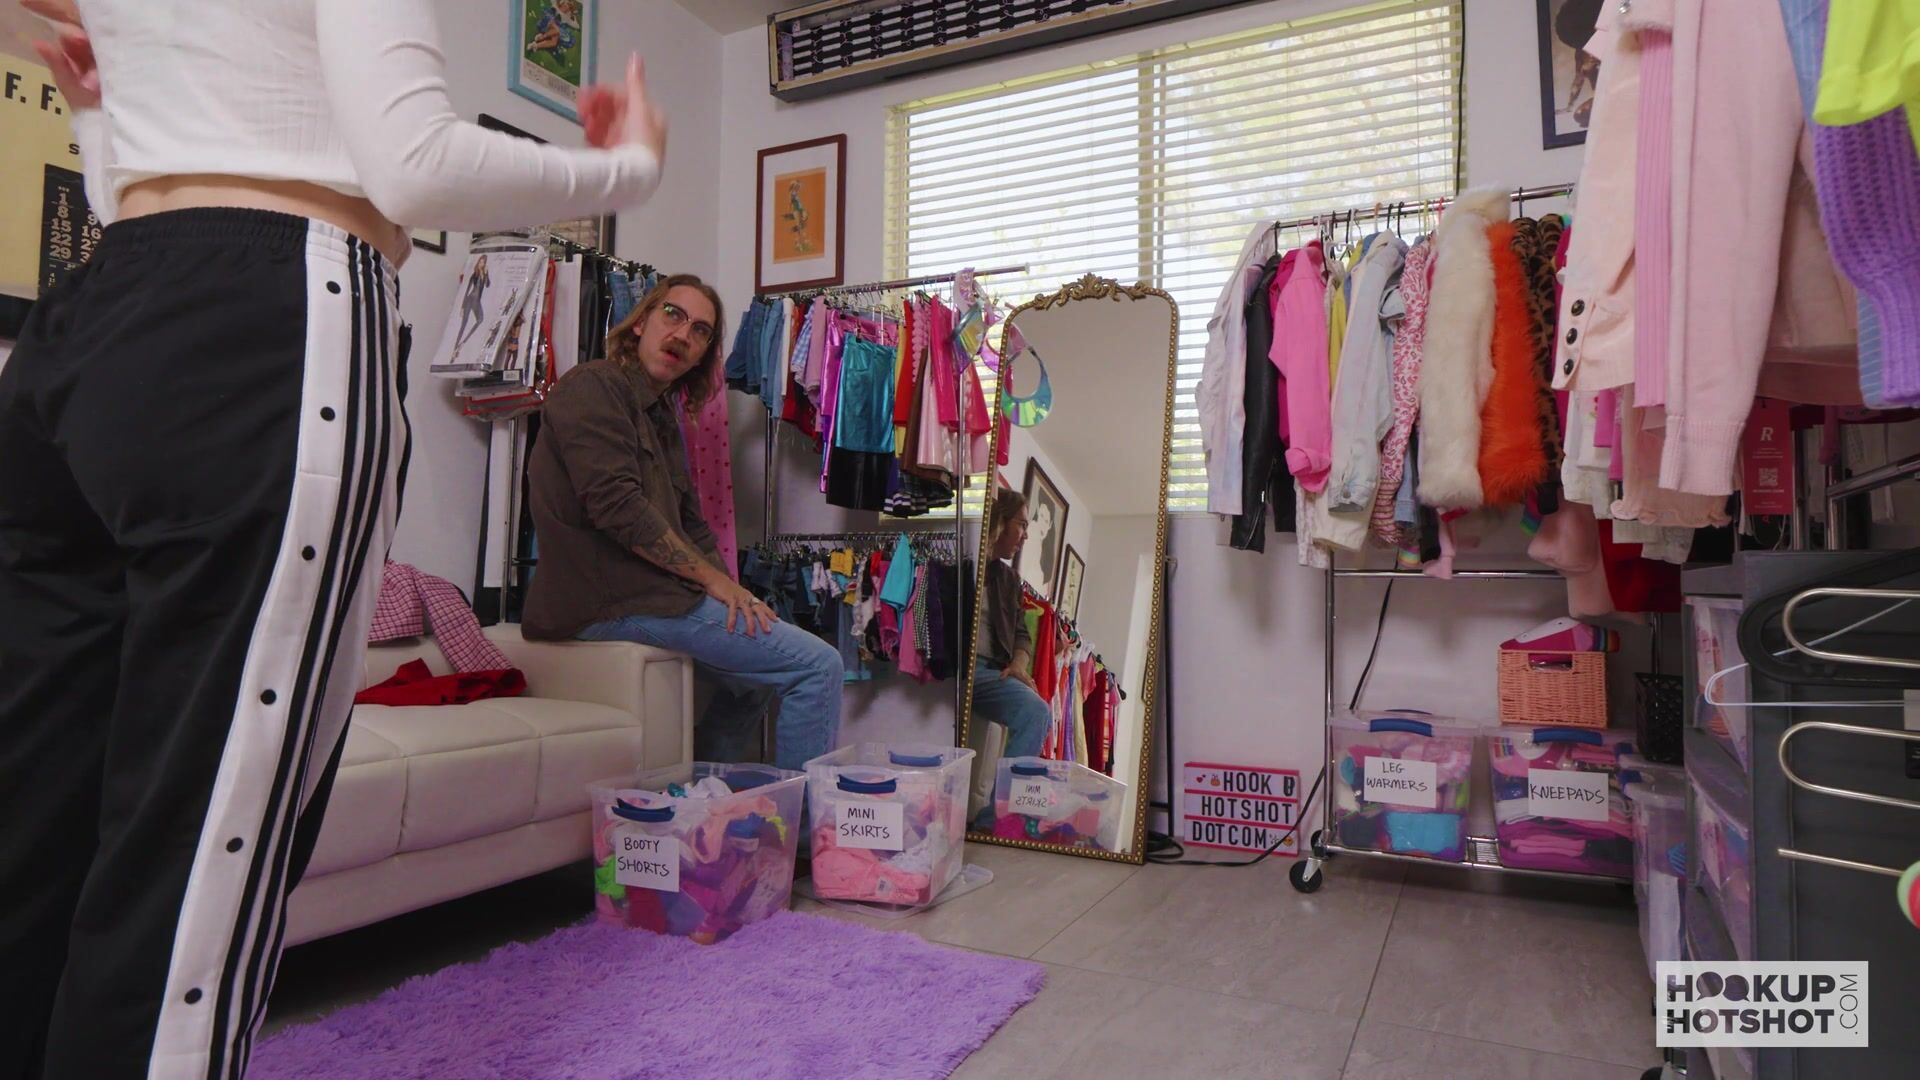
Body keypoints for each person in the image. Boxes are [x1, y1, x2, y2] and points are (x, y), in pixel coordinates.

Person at [0, 1, 668, 1076]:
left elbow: (135, 192)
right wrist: (627, 169)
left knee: (37, 815)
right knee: (194, 850)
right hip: (266, 321)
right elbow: (414, 168)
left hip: (87, 329)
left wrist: (99, 121)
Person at [521, 276, 844, 771]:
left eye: (700, 331)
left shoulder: (660, 417)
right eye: (673, 314)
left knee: (753, 680)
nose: (682, 335)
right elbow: (618, 508)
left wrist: (734, 594)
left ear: (701, 356)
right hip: (605, 601)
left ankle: (706, 800)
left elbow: (693, 526)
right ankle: (806, 820)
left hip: (652, 595)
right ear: (640, 322)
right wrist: (713, 581)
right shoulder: (593, 386)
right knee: (818, 666)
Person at [969, 488, 1052, 829]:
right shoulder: (966, 558)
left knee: (1036, 710)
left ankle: (994, 821)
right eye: (1021, 524)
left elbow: (1021, 633)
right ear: (1000, 522)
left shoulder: (1009, 579)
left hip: (990, 673)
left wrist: (1019, 663)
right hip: (958, 669)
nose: (1026, 535)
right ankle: (995, 820)